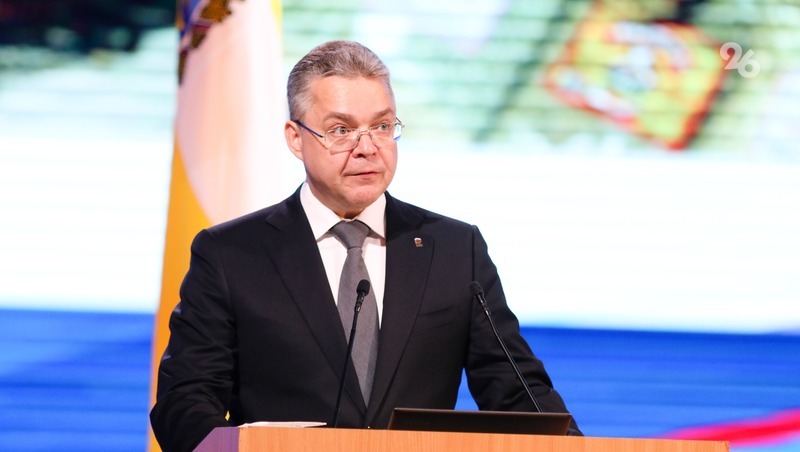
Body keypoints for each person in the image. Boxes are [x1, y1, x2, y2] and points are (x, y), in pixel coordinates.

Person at [150, 40, 581, 452]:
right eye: (341, 130)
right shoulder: (231, 254)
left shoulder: (454, 249)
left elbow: (518, 392)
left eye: (381, 126)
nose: (367, 148)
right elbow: (185, 401)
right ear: (296, 138)